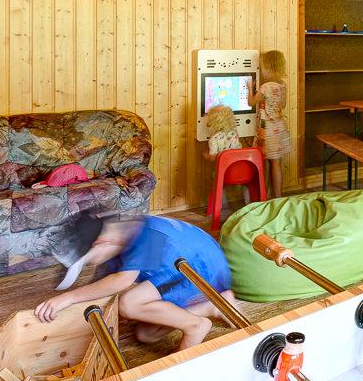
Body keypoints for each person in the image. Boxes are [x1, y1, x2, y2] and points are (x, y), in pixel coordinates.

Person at [36, 212, 234, 351]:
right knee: (145, 334)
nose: (91, 264)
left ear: (102, 243)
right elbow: (101, 288)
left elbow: (122, 281)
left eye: (89, 260)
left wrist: (68, 298)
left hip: (201, 268)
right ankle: (211, 306)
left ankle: (196, 325)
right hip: (180, 267)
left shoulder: (145, 234)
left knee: (130, 303)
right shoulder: (114, 240)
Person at [251, 50, 292, 196]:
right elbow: (283, 105)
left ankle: (263, 196)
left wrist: (249, 88)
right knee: (276, 163)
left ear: (268, 68)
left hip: (267, 130)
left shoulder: (265, 87)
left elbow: (251, 102)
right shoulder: (282, 85)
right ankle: (277, 196)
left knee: (263, 162)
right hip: (279, 128)